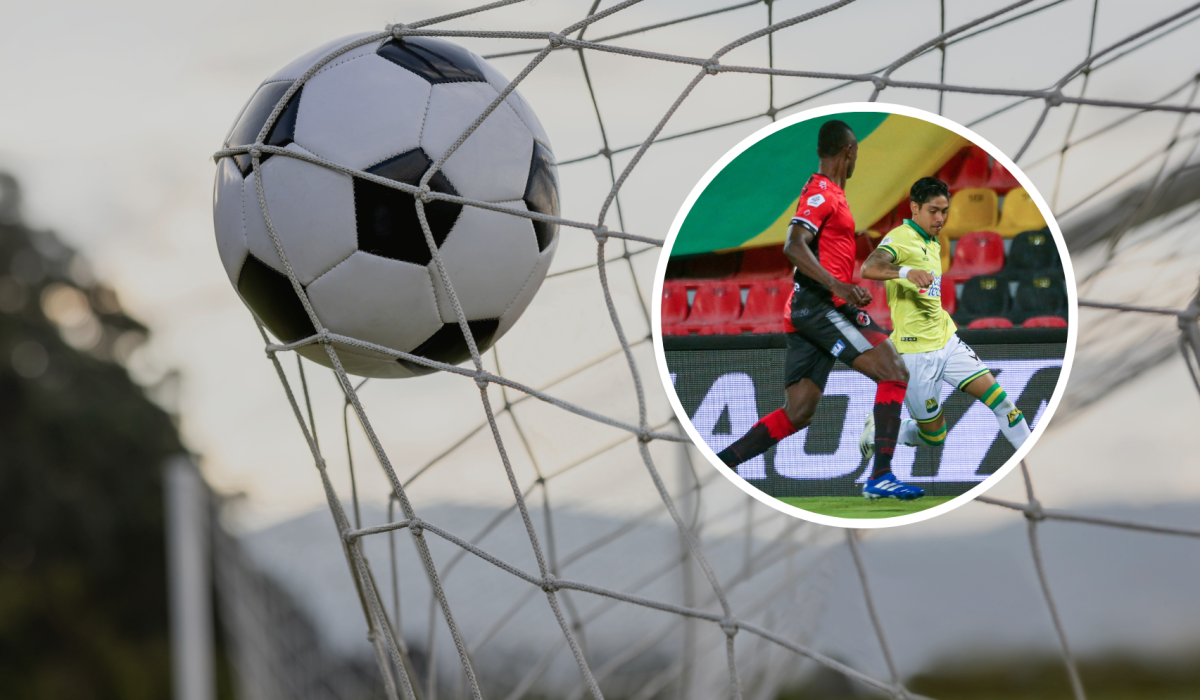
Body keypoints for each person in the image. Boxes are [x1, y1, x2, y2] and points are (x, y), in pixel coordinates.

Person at [717, 120, 925, 501]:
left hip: (811, 308)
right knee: (894, 372)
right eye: (857, 154)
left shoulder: (831, 195)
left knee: (798, 413)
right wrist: (838, 285)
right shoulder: (822, 193)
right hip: (823, 306)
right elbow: (794, 245)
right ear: (849, 151)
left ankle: (719, 464)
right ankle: (881, 475)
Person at [858, 176, 1031, 461]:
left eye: (945, 210)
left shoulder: (932, 240)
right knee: (935, 438)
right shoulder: (902, 238)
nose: (940, 218)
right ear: (914, 208)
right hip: (915, 354)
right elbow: (869, 266)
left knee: (1005, 405)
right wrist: (904, 272)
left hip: (947, 341)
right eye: (933, 211)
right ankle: (884, 430)